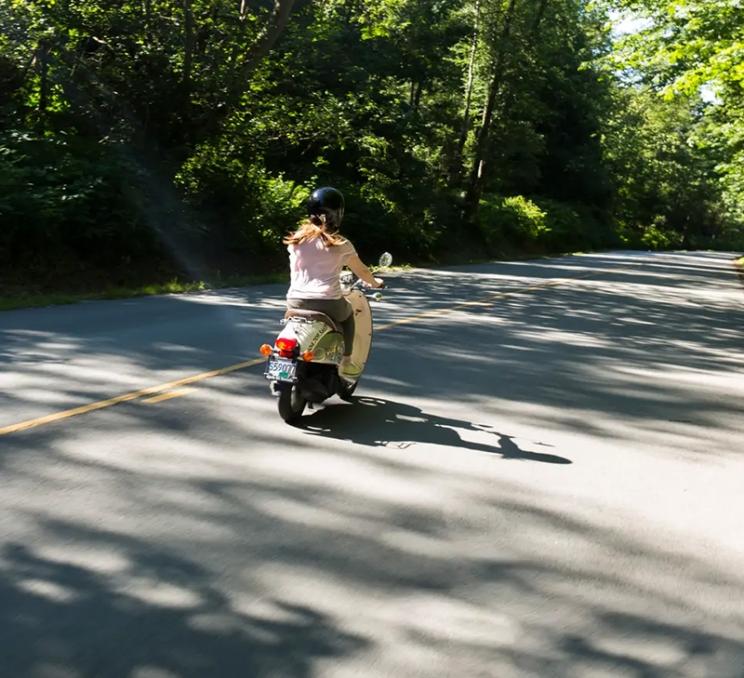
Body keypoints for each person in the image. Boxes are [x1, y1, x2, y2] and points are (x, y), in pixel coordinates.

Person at [284, 186, 383, 380]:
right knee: (348, 318)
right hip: (327, 302)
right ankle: (346, 362)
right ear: (337, 214)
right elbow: (361, 271)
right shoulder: (340, 244)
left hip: (294, 301)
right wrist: (375, 282)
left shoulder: (295, 240)